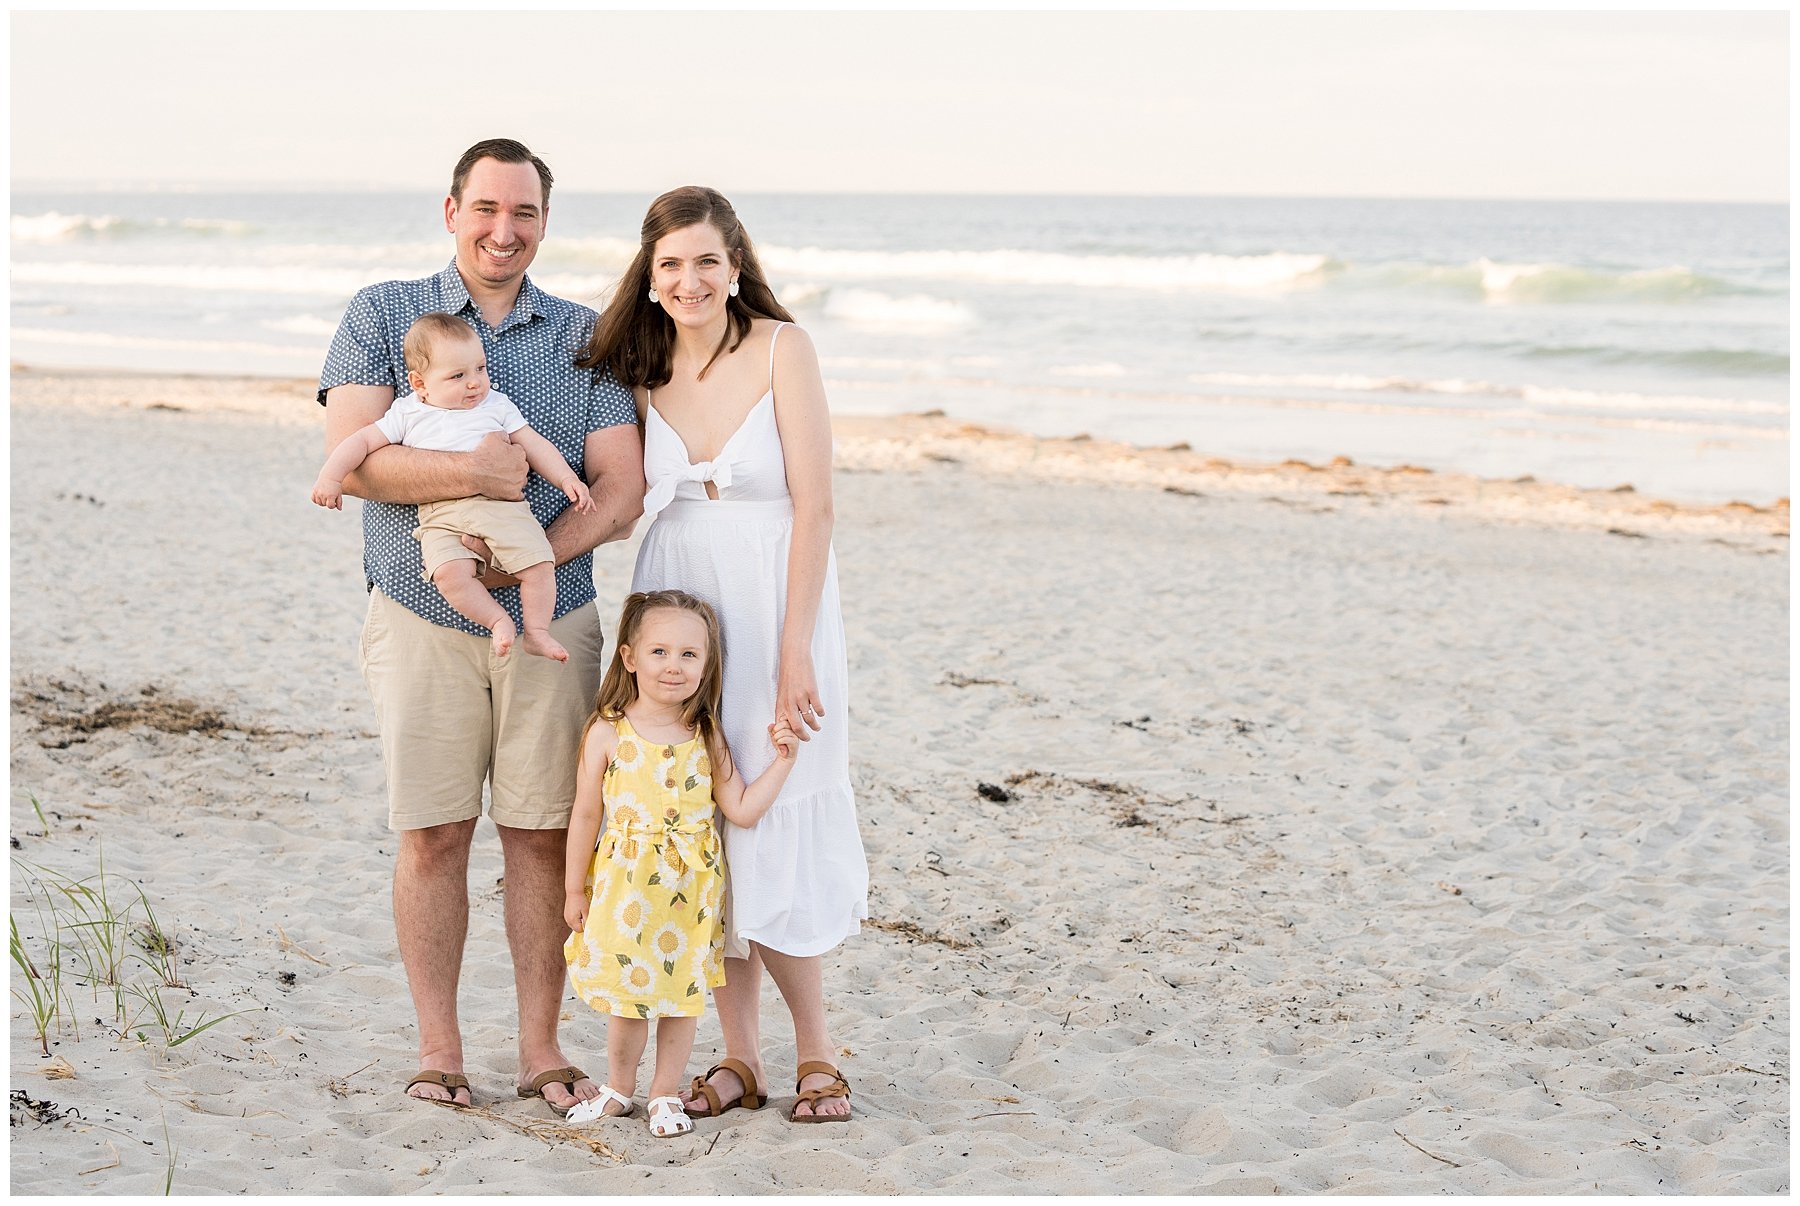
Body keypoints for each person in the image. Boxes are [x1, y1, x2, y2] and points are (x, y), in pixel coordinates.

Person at [318, 138, 644, 1113]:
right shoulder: (384, 314)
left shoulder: (589, 334)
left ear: (546, 220)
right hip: (420, 615)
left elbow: (619, 486)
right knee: (433, 837)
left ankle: (542, 1051)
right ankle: (440, 1052)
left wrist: (529, 558)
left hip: (556, 619)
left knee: (543, 837)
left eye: (526, 213)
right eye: (487, 209)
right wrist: (478, 477)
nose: (505, 231)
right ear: (451, 209)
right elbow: (354, 454)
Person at [580, 186, 869, 1123]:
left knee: (770, 812)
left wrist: (795, 652)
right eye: (671, 264)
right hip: (679, 598)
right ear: (650, 276)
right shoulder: (640, 365)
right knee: (705, 818)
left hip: (776, 595)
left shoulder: (785, 349)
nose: (690, 279)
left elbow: (817, 507)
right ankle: (740, 1059)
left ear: (735, 264)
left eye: (707, 260)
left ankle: (818, 1053)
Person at [561, 590, 801, 1137]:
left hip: (691, 893)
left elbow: (739, 808)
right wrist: (575, 889)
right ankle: (619, 1088)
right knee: (628, 996)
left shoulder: (707, 734)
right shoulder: (607, 732)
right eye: (660, 652)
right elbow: (584, 815)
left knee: (680, 996)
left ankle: (664, 1094)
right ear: (629, 658)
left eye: (690, 655)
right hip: (624, 888)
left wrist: (784, 762)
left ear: (706, 665)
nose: (674, 666)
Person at [312, 313, 597, 661]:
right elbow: (360, 442)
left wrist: (567, 478)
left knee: (538, 565)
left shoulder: (496, 404)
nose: (475, 382)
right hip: (441, 513)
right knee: (449, 575)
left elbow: (535, 445)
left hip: (501, 507)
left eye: (480, 368)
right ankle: (497, 621)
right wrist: (331, 476)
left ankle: (536, 632)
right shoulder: (407, 413)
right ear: (420, 384)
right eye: (458, 376)